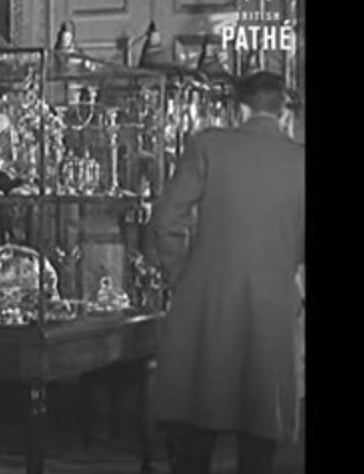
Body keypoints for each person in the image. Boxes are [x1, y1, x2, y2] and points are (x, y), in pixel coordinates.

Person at [150, 71, 305, 474]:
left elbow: (166, 219)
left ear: (240, 109)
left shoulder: (207, 145)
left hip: (207, 301)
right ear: (283, 113)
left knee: (198, 420)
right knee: (261, 427)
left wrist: (181, 274)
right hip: (273, 304)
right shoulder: (300, 161)